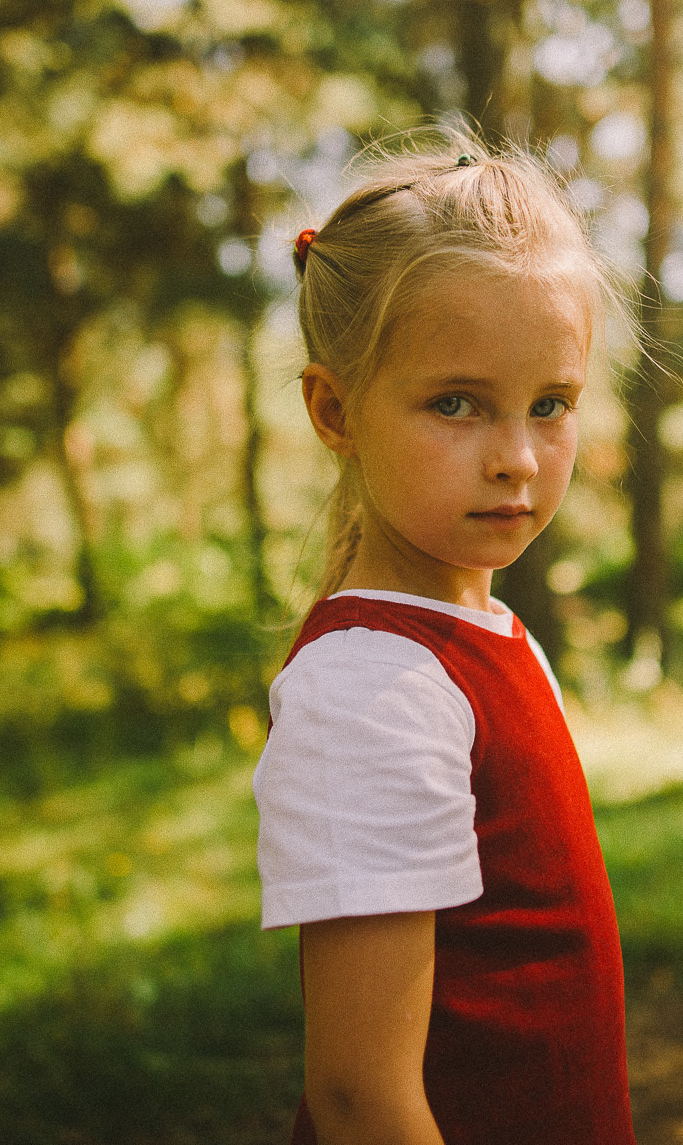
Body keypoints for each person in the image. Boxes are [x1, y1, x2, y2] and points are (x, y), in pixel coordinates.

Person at [252, 138, 637, 1145]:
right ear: (335, 410)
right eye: (454, 404)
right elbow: (357, 1096)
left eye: (549, 405)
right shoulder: (365, 689)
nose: (516, 458)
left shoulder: (490, 637)